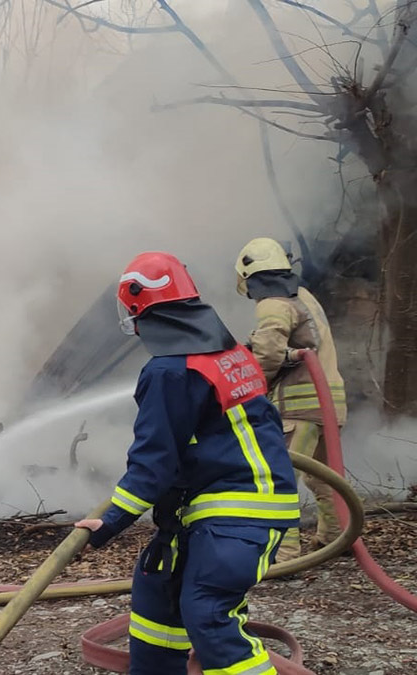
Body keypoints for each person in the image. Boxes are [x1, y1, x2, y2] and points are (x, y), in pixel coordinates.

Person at [75, 251, 299, 675]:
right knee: (158, 594)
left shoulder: (170, 371)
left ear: (140, 308)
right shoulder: (229, 353)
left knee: (207, 612)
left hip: (237, 512)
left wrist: (109, 521)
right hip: (213, 509)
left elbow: (154, 462)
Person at [235, 237, 347, 561]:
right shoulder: (304, 297)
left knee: (281, 478)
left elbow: (269, 354)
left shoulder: (273, 303)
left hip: (300, 407)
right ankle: (336, 538)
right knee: (325, 477)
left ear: (250, 277)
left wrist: (251, 386)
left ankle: (284, 554)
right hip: (329, 403)